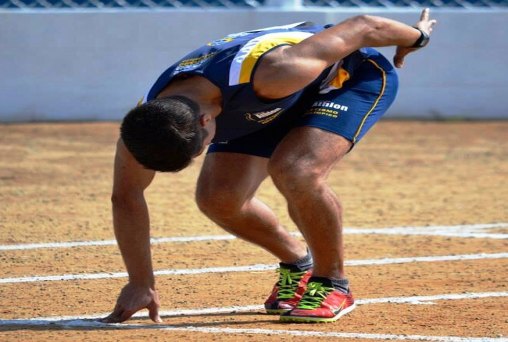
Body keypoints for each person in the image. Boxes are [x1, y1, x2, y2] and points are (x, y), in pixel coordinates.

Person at [101, 9, 437, 324]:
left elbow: (364, 26)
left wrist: (417, 37)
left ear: (204, 120)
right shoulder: (146, 123)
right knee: (219, 198)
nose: (203, 153)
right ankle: (297, 264)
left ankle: (332, 282)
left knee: (296, 170)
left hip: (345, 79)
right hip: (265, 104)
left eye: (199, 148)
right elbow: (126, 197)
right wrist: (140, 281)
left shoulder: (278, 69)